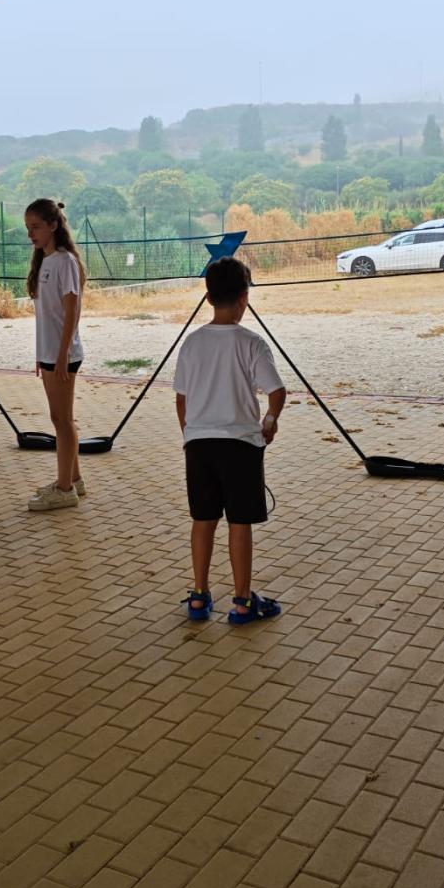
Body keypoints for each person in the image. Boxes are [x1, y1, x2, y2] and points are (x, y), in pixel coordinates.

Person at [173, 257, 286, 625]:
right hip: (240, 445)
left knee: (203, 519)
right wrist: (269, 419)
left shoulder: (192, 344)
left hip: (200, 445)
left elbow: (181, 399)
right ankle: (241, 602)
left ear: (207, 298)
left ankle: (199, 595)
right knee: (240, 523)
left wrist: (190, 434)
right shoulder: (252, 343)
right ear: (244, 297)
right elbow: (276, 391)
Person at [24, 198, 86, 511]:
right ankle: (73, 479)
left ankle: (64, 490)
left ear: (53, 225)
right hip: (50, 352)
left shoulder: (65, 261)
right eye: (28, 228)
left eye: (35, 227)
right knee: (58, 418)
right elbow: (46, 317)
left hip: (64, 353)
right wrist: (42, 354)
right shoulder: (45, 261)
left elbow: (71, 308)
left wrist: (62, 354)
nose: (31, 234)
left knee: (63, 420)